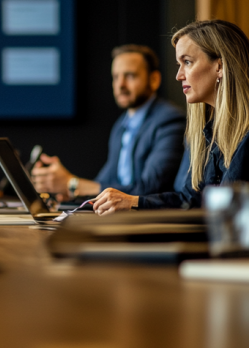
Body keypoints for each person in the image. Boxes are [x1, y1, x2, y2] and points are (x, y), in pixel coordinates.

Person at [93, 20, 249, 214]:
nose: (178, 75)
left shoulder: (245, 134)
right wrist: (133, 201)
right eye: (179, 64)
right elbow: (188, 200)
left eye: (188, 62)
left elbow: (229, 214)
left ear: (219, 66)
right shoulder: (204, 133)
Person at [32, 44, 186, 203]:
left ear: (154, 80)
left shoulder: (170, 120)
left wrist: (72, 184)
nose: (121, 85)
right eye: (116, 77)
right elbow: (104, 183)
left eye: (130, 75)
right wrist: (70, 191)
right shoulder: (121, 126)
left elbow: (150, 188)